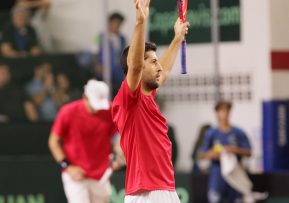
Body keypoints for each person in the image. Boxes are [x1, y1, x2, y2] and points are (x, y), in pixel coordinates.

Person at [111, 0, 189, 202]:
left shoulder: (147, 97)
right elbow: (135, 67)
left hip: (164, 189)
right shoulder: (129, 100)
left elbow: (165, 71)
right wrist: (140, 23)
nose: (159, 67)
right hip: (147, 193)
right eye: (153, 62)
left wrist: (177, 39)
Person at [48, 79, 123, 203]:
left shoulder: (110, 110)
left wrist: (117, 157)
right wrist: (67, 166)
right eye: (94, 103)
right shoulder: (68, 112)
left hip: (101, 175)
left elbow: (117, 138)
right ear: (85, 97)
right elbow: (53, 142)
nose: (97, 108)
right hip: (76, 175)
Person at [199, 101, 252, 203]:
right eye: (222, 110)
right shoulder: (211, 133)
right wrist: (213, 154)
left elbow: (249, 152)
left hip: (234, 173)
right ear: (217, 113)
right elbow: (202, 155)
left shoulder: (239, 132)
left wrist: (234, 150)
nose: (225, 113)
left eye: (227, 110)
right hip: (217, 175)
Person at [98, 12, 127, 97]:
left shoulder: (122, 39)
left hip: (118, 73)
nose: (118, 26)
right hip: (104, 72)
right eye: (116, 23)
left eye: (120, 24)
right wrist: (98, 65)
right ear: (110, 23)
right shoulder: (100, 37)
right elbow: (94, 53)